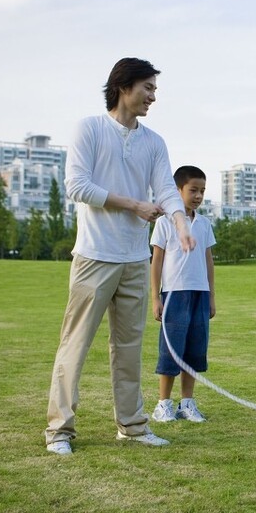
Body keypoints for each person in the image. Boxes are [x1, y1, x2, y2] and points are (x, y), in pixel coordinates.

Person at [44, 58, 195, 455]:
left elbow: (164, 187)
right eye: (148, 87)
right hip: (94, 256)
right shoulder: (90, 129)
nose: (153, 96)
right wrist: (133, 205)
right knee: (74, 346)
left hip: (134, 260)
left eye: (155, 90)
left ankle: (132, 426)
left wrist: (179, 223)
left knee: (128, 350)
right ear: (123, 87)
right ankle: (59, 431)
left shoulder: (154, 141)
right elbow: (77, 186)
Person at [150, 165, 216, 424]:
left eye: (202, 191)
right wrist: (156, 298)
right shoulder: (166, 222)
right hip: (174, 295)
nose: (198, 195)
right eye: (193, 190)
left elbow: (208, 261)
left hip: (199, 293)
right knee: (170, 351)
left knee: (195, 350)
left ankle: (187, 403)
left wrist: (211, 296)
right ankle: (163, 404)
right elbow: (156, 262)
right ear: (178, 191)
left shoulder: (204, 223)